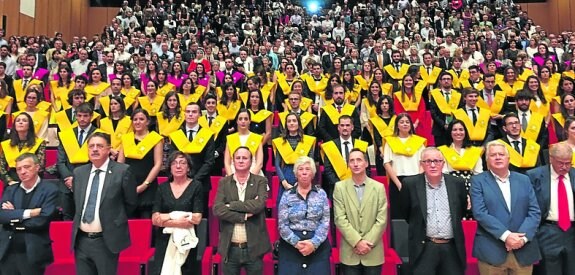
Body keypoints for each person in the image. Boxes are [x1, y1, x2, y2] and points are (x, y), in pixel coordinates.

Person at [470, 140, 541, 275]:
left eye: (501, 154)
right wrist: (506, 236)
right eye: (493, 155)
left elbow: (534, 212)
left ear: (508, 158)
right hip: (491, 251)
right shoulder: (478, 181)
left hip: (523, 250)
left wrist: (521, 239)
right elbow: (480, 213)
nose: (497, 157)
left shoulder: (524, 179)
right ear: (486, 160)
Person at [71, 132, 138, 275]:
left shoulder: (122, 171)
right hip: (81, 240)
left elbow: (131, 203)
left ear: (109, 149)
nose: (95, 149)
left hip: (106, 241)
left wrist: (113, 220)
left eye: (99, 146)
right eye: (91, 146)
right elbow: (76, 203)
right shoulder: (79, 173)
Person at [401, 147, 467, 275]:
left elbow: (461, 211)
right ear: (421, 164)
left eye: (437, 161)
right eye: (428, 161)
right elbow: (406, 214)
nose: (433, 165)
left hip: (451, 247)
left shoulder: (457, 183)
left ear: (443, 163)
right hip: (424, 247)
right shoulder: (410, 184)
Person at [213, 146, 271, 274]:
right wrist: (243, 216)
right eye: (237, 158)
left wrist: (231, 206)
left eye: (244, 158)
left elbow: (259, 205)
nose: (240, 161)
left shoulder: (260, 181)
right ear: (233, 161)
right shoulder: (224, 182)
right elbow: (217, 209)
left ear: (251, 161)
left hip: (254, 248)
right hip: (230, 247)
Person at [0, 153, 59, 275]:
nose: (22, 172)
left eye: (27, 167)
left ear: (37, 167)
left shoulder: (50, 189)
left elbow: (42, 219)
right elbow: (2, 216)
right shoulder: (10, 190)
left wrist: (14, 216)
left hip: (33, 251)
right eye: (19, 169)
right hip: (7, 251)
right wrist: (30, 213)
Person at [333, 148, 388, 275]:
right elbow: (340, 219)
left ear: (366, 163)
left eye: (359, 160)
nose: (356, 164)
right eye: (352, 161)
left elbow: (382, 220)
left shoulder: (378, 188)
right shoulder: (340, 187)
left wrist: (367, 243)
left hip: (372, 251)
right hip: (350, 252)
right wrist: (357, 242)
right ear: (348, 164)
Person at [151, 151, 203, 275]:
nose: (178, 166)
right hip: (164, 240)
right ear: (169, 168)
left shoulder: (196, 186)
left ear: (188, 167)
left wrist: (166, 218)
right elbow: (154, 219)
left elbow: (196, 218)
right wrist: (177, 220)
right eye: (174, 163)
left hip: (186, 241)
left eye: (182, 163)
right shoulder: (162, 187)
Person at [527, 143, 575, 275]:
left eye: (568, 163)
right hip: (547, 231)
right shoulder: (534, 176)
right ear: (550, 159)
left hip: (572, 232)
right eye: (560, 163)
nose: (565, 167)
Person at [277, 156, 330, 275]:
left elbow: (325, 222)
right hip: (291, 247)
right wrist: (296, 243)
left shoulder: (321, 194)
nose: (304, 172)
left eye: (308, 169)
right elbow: (282, 225)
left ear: (313, 173)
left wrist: (313, 243)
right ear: (296, 173)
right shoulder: (287, 195)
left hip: (317, 246)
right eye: (301, 169)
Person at [168, 102, 215, 216]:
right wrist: (184, 179)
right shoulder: (176, 135)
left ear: (200, 115)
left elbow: (209, 162)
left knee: (200, 218)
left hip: (201, 183)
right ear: (184, 114)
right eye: (188, 112)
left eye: (194, 112)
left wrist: (194, 180)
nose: (190, 114)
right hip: (179, 183)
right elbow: (173, 159)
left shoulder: (207, 135)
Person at [117, 109, 163, 219]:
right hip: (128, 186)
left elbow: (158, 164)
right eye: (135, 119)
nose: (137, 122)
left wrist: (144, 185)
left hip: (148, 186)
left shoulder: (155, 139)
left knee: (145, 222)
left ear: (147, 122)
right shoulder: (126, 138)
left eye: (141, 119)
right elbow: (120, 164)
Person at [57, 103, 100, 220]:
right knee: (67, 217)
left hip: (89, 181)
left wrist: (78, 179)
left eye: (85, 116)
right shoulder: (67, 134)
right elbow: (60, 161)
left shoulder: (99, 134)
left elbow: (98, 160)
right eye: (79, 115)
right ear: (75, 116)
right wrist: (68, 178)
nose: (82, 119)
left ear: (91, 116)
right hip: (67, 184)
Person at [383, 112, 426, 219]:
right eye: (401, 122)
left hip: (415, 180)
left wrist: (418, 179)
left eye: (407, 122)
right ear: (397, 125)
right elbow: (387, 163)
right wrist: (398, 184)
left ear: (411, 125)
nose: (405, 124)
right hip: (397, 180)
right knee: (398, 213)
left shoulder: (418, 141)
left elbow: (423, 162)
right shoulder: (390, 141)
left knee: (416, 213)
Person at [273, 113, 316, 206]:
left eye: (294, 121)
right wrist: (284, 182)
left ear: (299, 123)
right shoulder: (280, 142)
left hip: (303, 175)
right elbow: (277, 164)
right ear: (286, 124)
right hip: (286, 176)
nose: (291, 123)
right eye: (289, 121)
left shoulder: (307, 141)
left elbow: (311, 163)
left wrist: (301, 182)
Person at [0, 112, 45, 186]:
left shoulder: (39, 143)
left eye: (24, 120)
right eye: (18, 121)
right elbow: (1, 167)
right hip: (12, 181)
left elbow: (40, 166)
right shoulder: (6, 144)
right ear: (14, 125)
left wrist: (26, 181)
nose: (21, 122)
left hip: (32, 181)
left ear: (29, 125)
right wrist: (9, 181)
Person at [223, 109, 264, 176]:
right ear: (237, 121)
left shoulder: (257, 138)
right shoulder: (230, 138)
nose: (243, 121)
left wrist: (249, 179)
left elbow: (259, 163)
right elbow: (227, 163)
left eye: (246, 119)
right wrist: (233, 179)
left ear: (249, 121)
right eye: (240, 119)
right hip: (233, 173)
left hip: (254, 173)